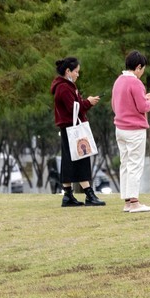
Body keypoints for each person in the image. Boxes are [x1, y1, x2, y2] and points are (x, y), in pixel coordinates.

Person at [112, 50, 150, 213]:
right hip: (134, 129)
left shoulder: (119, 81)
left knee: (125, 164)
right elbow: (142, 107)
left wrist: (145, 98)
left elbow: (116, 104)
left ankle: (127, 201)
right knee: (135, 164)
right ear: (138, 67)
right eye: (143, 69)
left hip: (120, 128)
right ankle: (134, 202)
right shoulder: (136, 83)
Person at [51, 57, 105, 207]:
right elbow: (74, 108)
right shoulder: (64, 87)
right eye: (76, 72)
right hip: (72, 129)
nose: (77, 75)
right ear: (68, 71)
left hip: (68, 128)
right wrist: (88, 102)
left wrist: (86, 102)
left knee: (69, 161)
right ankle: (88, 193)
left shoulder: (65, 86)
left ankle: (68, 195)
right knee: (81, 158)